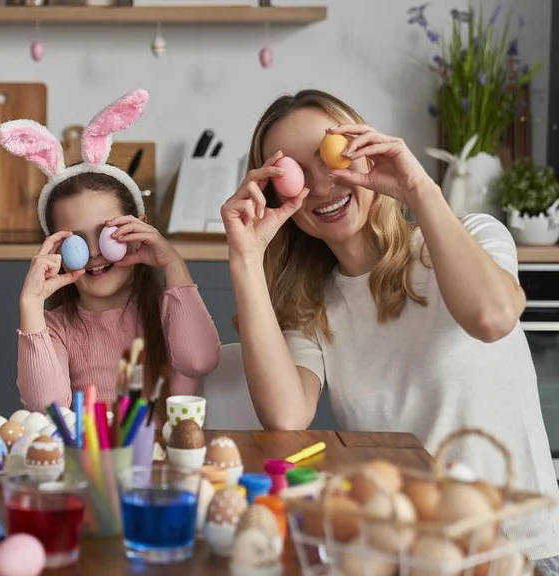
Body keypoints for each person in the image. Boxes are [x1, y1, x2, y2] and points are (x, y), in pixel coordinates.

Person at [220, 89, 559, 565]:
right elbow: (285, 415)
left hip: (518, 555)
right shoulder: (314, 304)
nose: (322, 184)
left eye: (329, 155)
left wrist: (417, 187)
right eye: (293, 173)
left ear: (364, 148)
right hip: (402, 557)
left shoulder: (473, 234)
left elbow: (492, 317)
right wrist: (246, 256)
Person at [0, 89, 221, 414]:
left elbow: (200, 360)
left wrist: (172, 262)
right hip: (88, 463)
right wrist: (31, 305)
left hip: (160, 463)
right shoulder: (57, 327)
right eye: (75, 241)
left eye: (107, 234)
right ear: (54, 248)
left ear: (138, 230)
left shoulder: (167, 312)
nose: (92, 251)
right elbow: (47, 409)